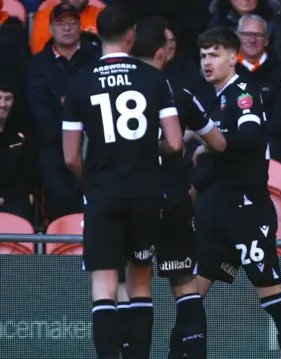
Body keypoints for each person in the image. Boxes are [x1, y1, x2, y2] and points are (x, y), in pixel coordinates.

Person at [61, 5, 183, 359]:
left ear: (97, 35)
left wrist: (93, 179)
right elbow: (175, 143)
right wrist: (146, 148)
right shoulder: (154, 79)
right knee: (140, 284)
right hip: (145, 192)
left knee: (104, 286)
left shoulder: (79, 81)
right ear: (131, 35)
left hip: (102, 194)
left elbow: (69, 156)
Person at [187, 27, 281, 359]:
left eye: (215, 55)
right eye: (203, 56)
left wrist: (210, 143)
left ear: (233, 57)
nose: (207, 62)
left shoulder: (243, 94)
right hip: (216, 208)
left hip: (245, 211)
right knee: (190, 297)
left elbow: (251, 137)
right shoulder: (217, 97)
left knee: (271, 296)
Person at [128, 16, 227, 359]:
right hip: (172, 198)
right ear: (162, 53)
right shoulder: (178, 92)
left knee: (136, 287)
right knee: (185, 288)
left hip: (132, 199)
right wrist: (193, 144)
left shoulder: (111, 93)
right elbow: (218, 142)